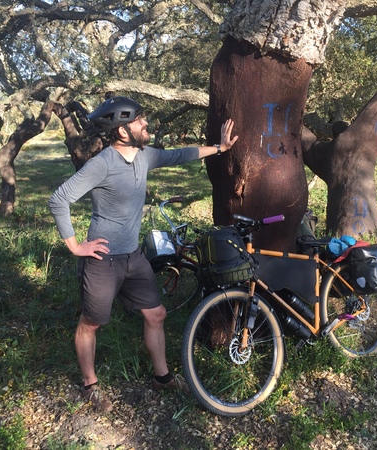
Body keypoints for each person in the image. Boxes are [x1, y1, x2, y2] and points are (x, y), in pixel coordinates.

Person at [48, 96, 238, 412]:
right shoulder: (102, 164)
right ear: (122, 131)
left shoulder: (144, 156)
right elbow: (59, 200)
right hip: (102, 261)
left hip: (134, 258)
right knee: (91, 323)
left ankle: (161, 377)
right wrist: (75, 245)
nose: (145, 124)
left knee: (157, 314)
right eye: (139, 120)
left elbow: (180, 155)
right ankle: (90, 384)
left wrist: (220, 148)